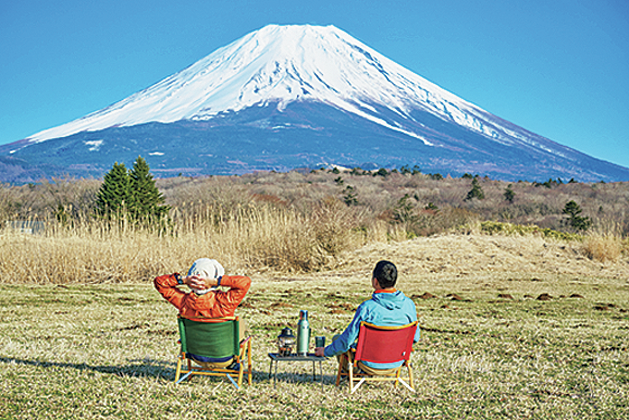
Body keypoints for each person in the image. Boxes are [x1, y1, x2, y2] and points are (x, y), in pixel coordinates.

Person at [314, 260, 419, 371]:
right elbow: (415, 338)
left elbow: (346, 341)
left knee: (338, 339)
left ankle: (356, 374)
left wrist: (325, 351)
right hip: (396, 363)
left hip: (368, 365)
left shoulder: (367, 308)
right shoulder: (409, 305)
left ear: (375, 281)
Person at [154, 258, 251, 368]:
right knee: (240, 324)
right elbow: (245, 282)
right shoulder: (225, 302)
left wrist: (183, 280)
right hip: (225, 358)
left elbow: (160, 282)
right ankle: (235, 365)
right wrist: (216, 281)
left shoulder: (183, 302)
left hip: (196, 357)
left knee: (239, 324)